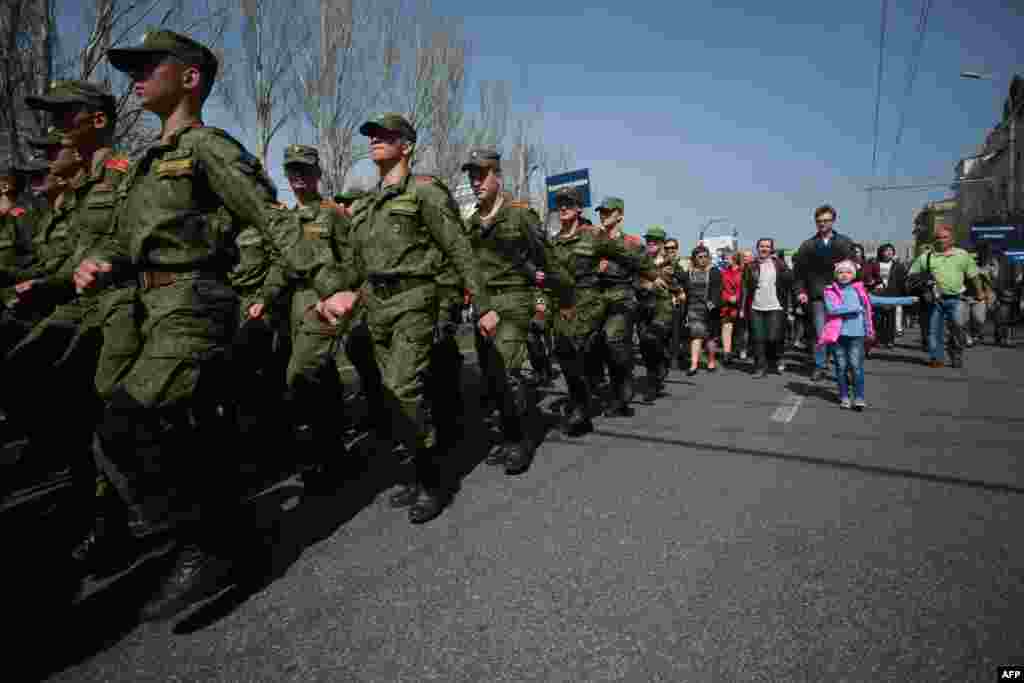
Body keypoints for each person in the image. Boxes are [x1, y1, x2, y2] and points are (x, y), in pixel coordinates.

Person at [73, 29, 342, 621]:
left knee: (126, 421)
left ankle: (202, 543)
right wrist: (101, 263)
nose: (135, 77)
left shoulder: (208, 148)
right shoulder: (145, 163)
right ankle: (237, 539)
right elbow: (130, 239)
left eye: (150, 66)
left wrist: (327, 284)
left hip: (195, 304)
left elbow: (270, 219)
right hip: (150, 307)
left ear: (189, 78)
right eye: (132, 69)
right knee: (182, 435)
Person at [315, 112, 494, 524]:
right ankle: (416, 472)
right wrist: (330, 294)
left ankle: (433, 480)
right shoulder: (364, 205)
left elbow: (458, 250)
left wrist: (481, 305)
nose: (375, 140)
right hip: (375, 307)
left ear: (407, 145)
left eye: (385, 135)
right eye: (372, 134)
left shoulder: (425, 193)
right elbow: (356, 266)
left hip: (415, 300)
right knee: (390, 396)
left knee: (402, 389)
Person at [461, 146, 572, 474]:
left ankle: (521, 441)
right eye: (472, 176)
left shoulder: (520, 214)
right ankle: (509, 433)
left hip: (517, 301)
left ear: (498, 176)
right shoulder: (470, 224)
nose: (476, 182)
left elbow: (546, 259)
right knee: (492, 377)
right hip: (486, 306)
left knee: (509, 374)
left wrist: (561, 299)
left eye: (482, 175)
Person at [548, 187, 650, 432]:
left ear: (620, 215)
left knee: (612, 341)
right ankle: (588, 391)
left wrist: (650, 280)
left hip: (619, 296)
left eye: (608, 212)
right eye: (601, 212)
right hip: (593, 296)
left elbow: (637, 265)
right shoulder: (587, 235)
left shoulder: (628, 241)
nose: (603, 215)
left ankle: (621, 383)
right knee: (584, 348)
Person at [907, 224, 989, 369]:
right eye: (938, 238)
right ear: (934, 240)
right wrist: (924, 284)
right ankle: (937, 357)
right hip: (934, 299)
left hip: (956, 298)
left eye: (945, 237)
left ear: (952, 239)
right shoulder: (926, 257)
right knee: (934, 329)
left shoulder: (961, 254)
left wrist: (980, 292)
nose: (941, 240)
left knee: (957, 326)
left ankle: (956, 353)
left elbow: (974, 275)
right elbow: (911, 275)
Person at [793, 204, 854, 381]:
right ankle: (820, 365)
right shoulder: (808, 245)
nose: (823, 224)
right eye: (819, 221)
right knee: (820, 334)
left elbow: (855, 268)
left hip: (841, 296)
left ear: (833, 221)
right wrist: (800, 291)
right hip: (818, 296)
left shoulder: (844, 242)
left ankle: (844, 369)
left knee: (841, 335)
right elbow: (799, 272)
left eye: (826, 221)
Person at [818, 260, 874, 410]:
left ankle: (859, 396)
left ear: (853, 275)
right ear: (836, 275)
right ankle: (844, 396)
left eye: (848, 272)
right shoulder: (830, 291)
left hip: (857, 334)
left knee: (856, 366)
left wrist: (907, 299)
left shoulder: (860, 290)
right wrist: (855, 308)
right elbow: (832, 310)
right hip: (838, 335)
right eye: (841, 272)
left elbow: (875, 301)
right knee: (841, 367)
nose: (844, 275)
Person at [740, 238, 793, 377]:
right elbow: (744, 288)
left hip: (775, 306)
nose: (764, 249)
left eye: (767, 247)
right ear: (757, 248)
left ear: (771, 249)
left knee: (773, 337)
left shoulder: (779, 264)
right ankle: (760, 367)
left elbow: (789, 282)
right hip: (756, 307)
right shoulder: (750, 266)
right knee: (758, 338)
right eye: (761, 246)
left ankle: (775, 359)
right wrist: (742, 308)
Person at [637, 225, 677, 401]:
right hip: (643, 307)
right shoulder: (640, 260)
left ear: (661, 243)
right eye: (648, 240)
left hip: (662, 308)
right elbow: (633, 280)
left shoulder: (670, 263)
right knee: (645, 347)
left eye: (655, 240)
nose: (651, 243)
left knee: (654, 341)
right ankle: (657, 368)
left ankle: (653, 383)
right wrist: (644, 284)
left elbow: (671, 282)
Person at [680, 243, 722, 376]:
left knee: (710, 338)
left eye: (705, 256)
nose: (703, 259)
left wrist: (713, 302)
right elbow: (683, 287)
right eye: (700, 257)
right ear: (694, 259)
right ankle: (693, 365)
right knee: (696, 336)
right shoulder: (689, 273)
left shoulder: (714, 272)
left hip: (710, 309)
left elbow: (718, 289)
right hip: (693, 309)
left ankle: (711, 361)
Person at [861, 243, 907, 349]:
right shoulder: (875, 263)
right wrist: (872, 283)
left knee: (891, 318)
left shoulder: (898, 265)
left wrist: (901, 294)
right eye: (886, 250)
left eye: (891, 250)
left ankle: (890, 340)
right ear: (881, 252)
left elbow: (902, 281)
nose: (889, 252)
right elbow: (868, 276)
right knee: (877, 318)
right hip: (877, 294)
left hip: (892, 294)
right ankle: (878, 339)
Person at [718, 251, 743, 365]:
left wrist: (737, 297)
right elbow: (721, 289)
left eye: (728, 257)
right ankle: (726, 354)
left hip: (740, 304)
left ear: (734, 259)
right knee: (726, 327)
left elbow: (744, 287)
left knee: (739, 329)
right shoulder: (724, 272)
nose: (725, 259)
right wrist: (727, 297)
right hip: (726, 304)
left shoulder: (743, 272)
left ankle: (739, 349)